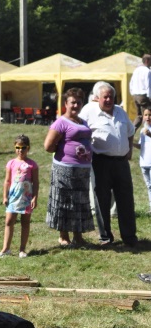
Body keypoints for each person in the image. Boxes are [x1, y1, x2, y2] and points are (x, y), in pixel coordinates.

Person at [80, 82, 137, 248]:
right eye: (105, 97)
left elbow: (131, 131)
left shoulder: (120, 111)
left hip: (121, 163)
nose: (108, 100)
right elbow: (78, 130)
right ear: (97, 98)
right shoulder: (89, 111)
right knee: (102, 200)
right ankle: (105, 236)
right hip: (100, 162)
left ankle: (129, 237)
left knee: (126, 199)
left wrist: (129, 150)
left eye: (111, 97)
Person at [43, 87, 94, 247]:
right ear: (66, 103)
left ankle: (78, 236)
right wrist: (64, 149)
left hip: (82, 169)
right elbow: (48, 146)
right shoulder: (60, 122)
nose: (76, 105)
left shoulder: (82, 122)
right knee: (65, 202)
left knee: (79, 202)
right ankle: (63, 236)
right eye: (73, 102)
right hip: (65, 168)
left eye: (79, 102)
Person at [0, 134, 39, 258]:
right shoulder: (11, 163)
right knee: (9, 221)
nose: (20, 150)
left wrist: (35, 197)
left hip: (26, 197)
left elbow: (36, 182)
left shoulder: (32, 165)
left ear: (28, 148)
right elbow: (7, 181)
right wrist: (5, 196)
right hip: (13, 197)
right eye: (18, 147)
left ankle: (22, 249)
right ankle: (6, 249)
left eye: (23, 147)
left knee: (25, 222)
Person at [134, 107, 151, 212]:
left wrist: (149, 134)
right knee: (149, 186)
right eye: (146, 115)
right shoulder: (142, 130)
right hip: (144, 162)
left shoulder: (147, 131)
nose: (148, 117)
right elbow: (141, 146)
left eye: (150, 115)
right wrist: (132, 144)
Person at [129, 54, 151, 131]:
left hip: (135, 95)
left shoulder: (136, 70)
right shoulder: (147, 71)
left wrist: (132, 93)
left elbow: (131, 83)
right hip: (144, 95)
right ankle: (146, 132)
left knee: (139, 116)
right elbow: (148, 85)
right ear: (147, 61)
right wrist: (150, 97)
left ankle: (130, 132)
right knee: (148, 115)